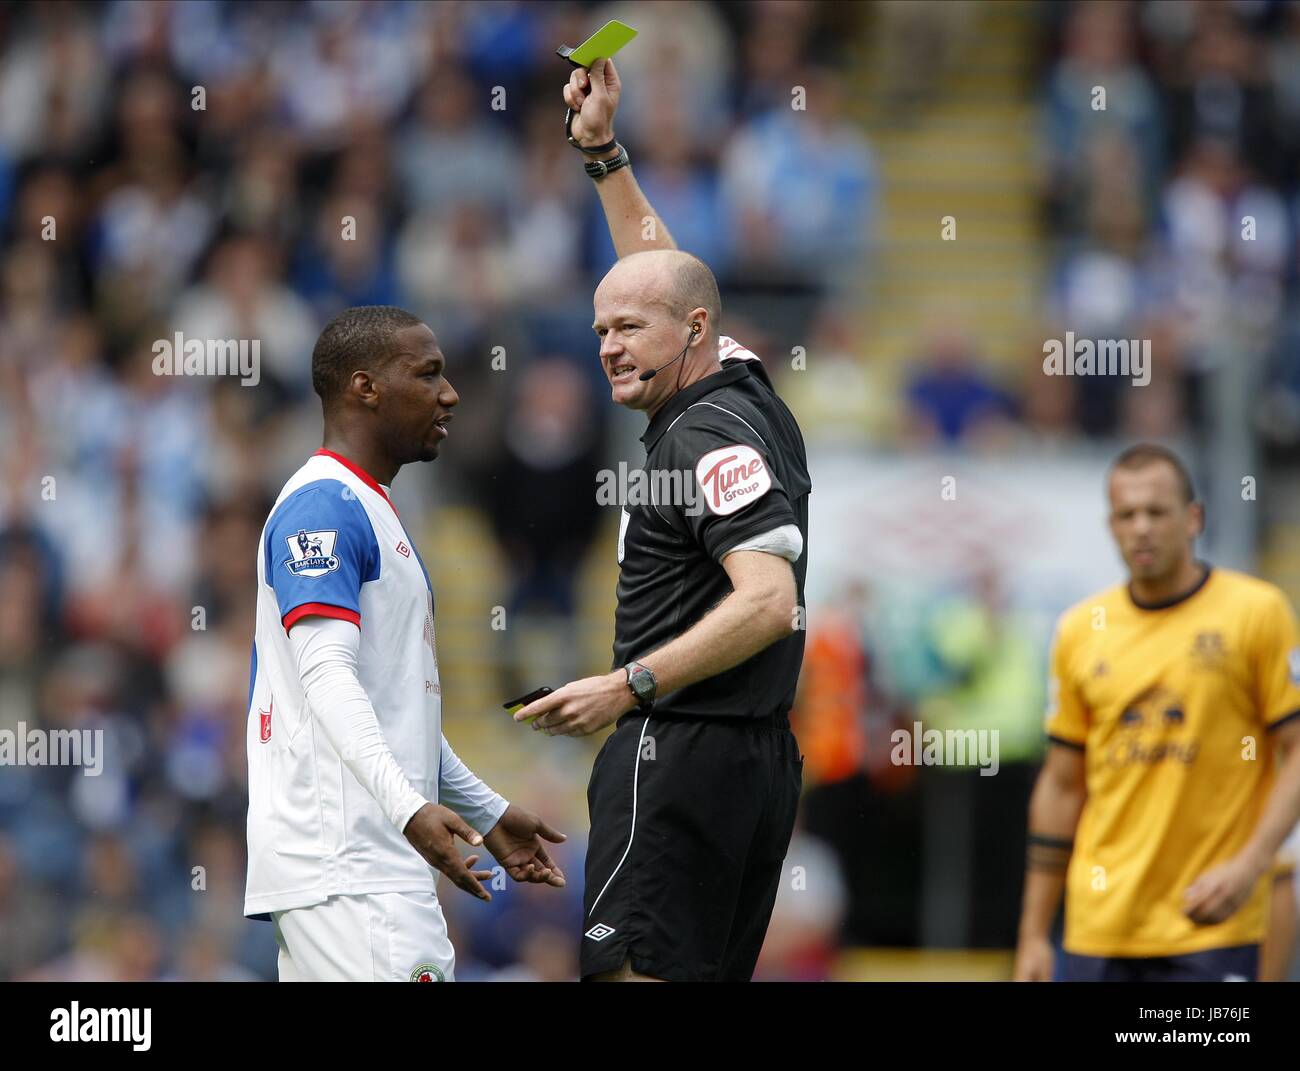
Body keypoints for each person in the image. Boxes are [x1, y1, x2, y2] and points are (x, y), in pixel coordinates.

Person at [514, 58, 811, 982]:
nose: (609, 348)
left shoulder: (699, 440)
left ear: (691, 333)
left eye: (627, 331)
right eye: (600, 331)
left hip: (675, 750)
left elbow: (768, 602)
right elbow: (663, 272)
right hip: (756, 764)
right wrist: (603, 152)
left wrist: (624, 688)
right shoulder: (741, 386)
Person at [244, 305, 566, 982]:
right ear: (365, 387)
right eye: (428, 374)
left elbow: (394, 711)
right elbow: (325, 675)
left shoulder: (370, 506)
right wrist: (410, 807)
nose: (449, 394)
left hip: (351, 873)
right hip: (355, 874)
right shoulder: (323, 507)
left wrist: (488, 810)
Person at [1014, 444, 1300, 982]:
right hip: (1098, 930)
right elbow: (1061, 787)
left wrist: (1250, 866)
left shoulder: (1255, 614)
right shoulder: (1079, 630)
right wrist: (1032, 934)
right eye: (1127, 514)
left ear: (1194, 519)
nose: (1141, 527)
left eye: (1156, 512)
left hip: (1211, 926)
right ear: (1111, 525)